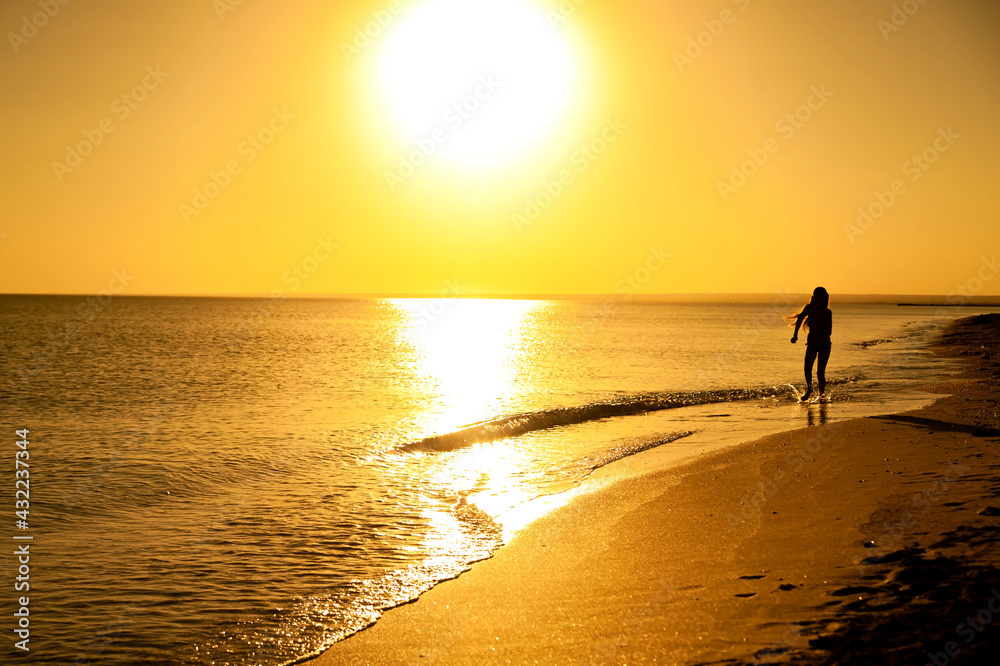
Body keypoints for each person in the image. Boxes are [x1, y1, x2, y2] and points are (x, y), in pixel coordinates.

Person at [786, 287, 832, 402]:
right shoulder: (809, 308)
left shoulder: (827, 312)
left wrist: (819, 327)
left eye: (821, 296)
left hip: (825, 345)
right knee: (807, 368)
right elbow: (800, 319)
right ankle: (809, 389)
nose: (818, 299)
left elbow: (829, 331)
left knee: (820, 372)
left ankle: (821, 395)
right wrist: (795, 335)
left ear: (824, 298)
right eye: (816, 296)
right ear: (814, 297)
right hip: (812, 343)